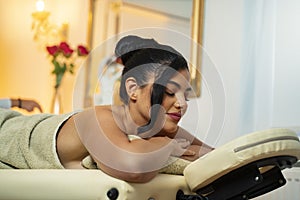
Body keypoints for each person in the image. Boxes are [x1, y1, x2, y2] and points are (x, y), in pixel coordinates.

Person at [0, 35, 213, 183]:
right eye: (169, 92)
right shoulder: (98, 119)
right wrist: (168, 145)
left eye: (185, 95)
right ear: (133, 89)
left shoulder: (160, 124)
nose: (182, 104)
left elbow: (212, 155)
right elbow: (133, 167)